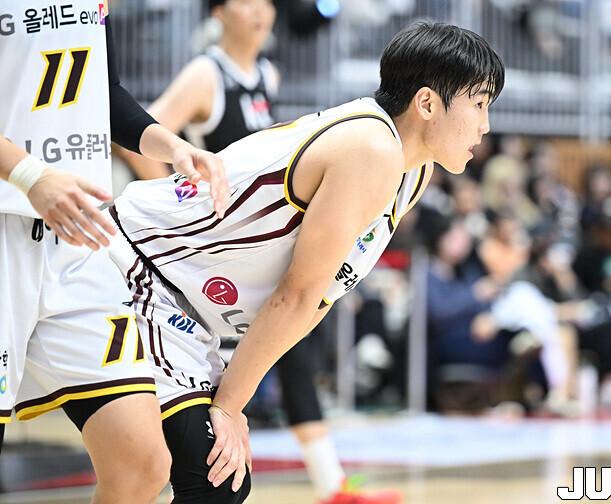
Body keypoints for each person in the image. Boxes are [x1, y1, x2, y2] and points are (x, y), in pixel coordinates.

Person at [105, 21, 503, 503]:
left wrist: (231, 398)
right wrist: (229, 406)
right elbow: (297, 293)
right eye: (479, 104)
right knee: (208, 475)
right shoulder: (371, 148)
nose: (485, 124)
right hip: (137, 262)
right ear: (426, 103)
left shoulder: (413, 170)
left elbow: (319, 297)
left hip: (187, 302)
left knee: (205, 478)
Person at [116, 0, 400, 501]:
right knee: (229, 406)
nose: (260, 11)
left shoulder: (267, 73)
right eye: (245, 1)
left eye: (266, 2)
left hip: (248, 247)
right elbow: (136, 137)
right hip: (195, 253)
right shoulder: (206, 73)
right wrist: (175, 198)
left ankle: (330, 483)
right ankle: (327, 483)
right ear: (218, 12)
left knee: (290, 345)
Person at [0, 2, 229, 503]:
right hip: (6, 225)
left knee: (142, 464)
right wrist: (29, 175)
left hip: (79, 239)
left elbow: (105, 92)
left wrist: (172, 146)